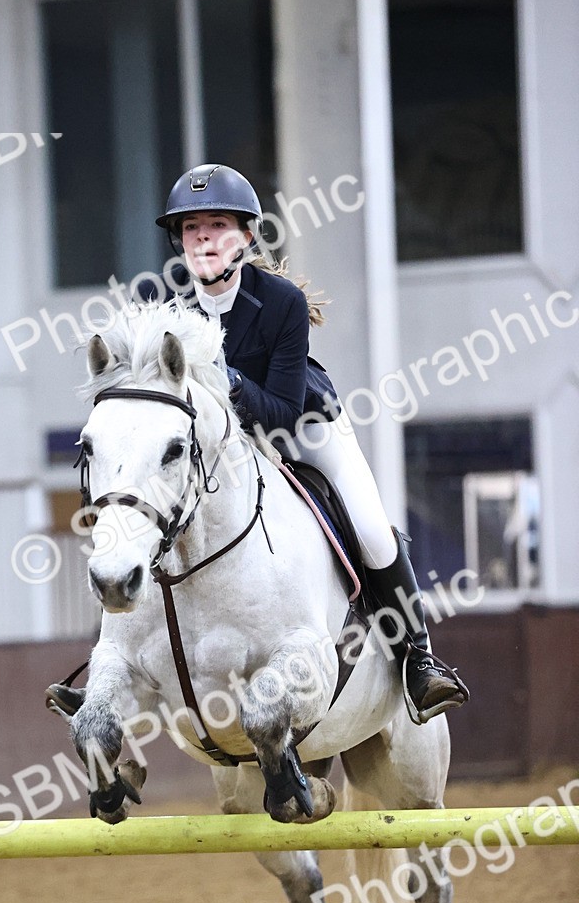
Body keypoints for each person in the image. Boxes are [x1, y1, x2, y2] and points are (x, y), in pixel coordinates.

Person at [47, 163, 468, 725]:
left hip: (304, 430)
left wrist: (224, 378)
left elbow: (281, 412)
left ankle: (417, 659)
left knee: (368, 525)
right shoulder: (175, 314)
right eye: (191, 228)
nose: (203, 239)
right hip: (223, 447)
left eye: (217, 224)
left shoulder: (282, 304)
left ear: (246, 235)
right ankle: (118, 671)